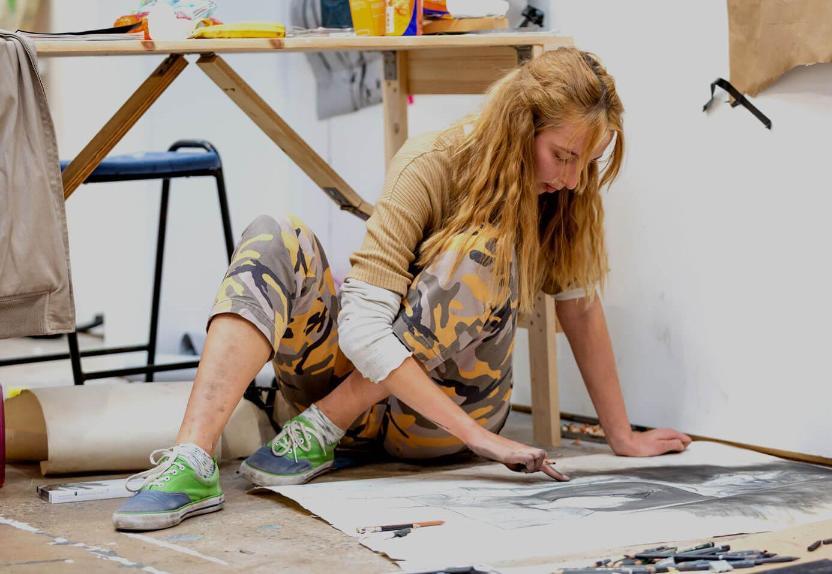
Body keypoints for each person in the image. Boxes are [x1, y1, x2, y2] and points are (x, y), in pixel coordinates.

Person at [112, 47, 691, 532]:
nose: (568, 179)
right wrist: (483, 443)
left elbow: (579, 309)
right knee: (273, 236)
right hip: (346, 408)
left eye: (583, 165)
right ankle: (191, 460)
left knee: (479, 249)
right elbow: (362, 327)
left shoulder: (563, 194)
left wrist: (620, 436)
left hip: (435, 422)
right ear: (521, 126)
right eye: (562, 156)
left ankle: (320, 429)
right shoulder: (432, 162)